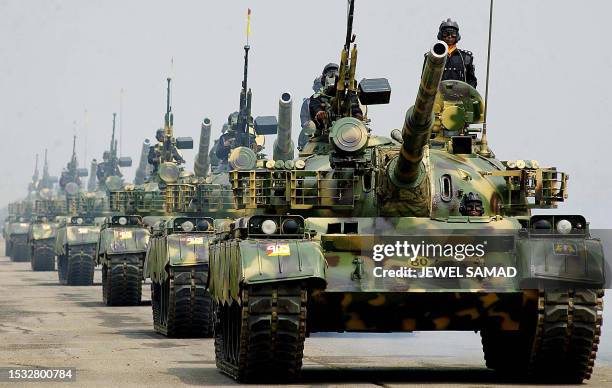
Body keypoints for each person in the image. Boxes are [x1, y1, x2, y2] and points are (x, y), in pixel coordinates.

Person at [309, 63, 363, 131]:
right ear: (324, 79)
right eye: (330, 73)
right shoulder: (317, 97)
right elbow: (315, 107)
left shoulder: (349, 95)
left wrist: (357, 114)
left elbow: (355, 107)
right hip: (325, 132)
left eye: (335, 71)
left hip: (349, 131)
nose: (333, 74)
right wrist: (319, 112)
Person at [435, 19, 477, 88]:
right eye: (446, 33)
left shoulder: (466, 58)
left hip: (459, 96)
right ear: (440, 35)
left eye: (453, 34)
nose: (449, 36)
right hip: (439, 96)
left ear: (457, 35)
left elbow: (472, 81)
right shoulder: (433, 56)